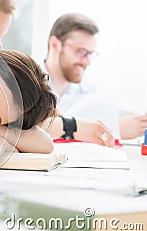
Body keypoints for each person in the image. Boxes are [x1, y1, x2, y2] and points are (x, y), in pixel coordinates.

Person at [40, 13, 147, 144]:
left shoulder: (89, 91)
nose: (87, 61)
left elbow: (116, 114)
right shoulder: (28, 83)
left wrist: (131, 124)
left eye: (90, 54)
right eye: (81, 52)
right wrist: (115, 128)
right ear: (55, 44)